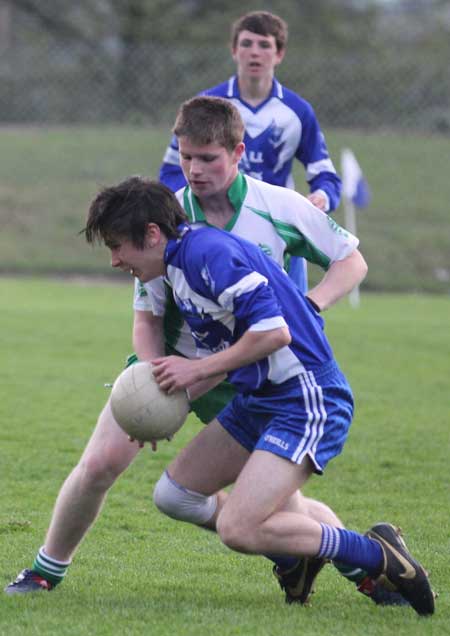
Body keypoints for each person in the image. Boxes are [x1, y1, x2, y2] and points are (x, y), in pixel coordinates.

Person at [4, 97, 403, 606]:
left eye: (208, 158)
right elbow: (146, 317)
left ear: (238, 154)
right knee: (102, 461)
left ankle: (368, 569)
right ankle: (46, 569)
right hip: (176, 369)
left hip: (250, 372)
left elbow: (351, 263)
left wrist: (309, 307)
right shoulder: (166, 217)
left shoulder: (278, 206)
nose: (194, 169)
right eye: (186, 156)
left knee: (283, 507)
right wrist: (152, 389)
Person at [81, 175, 434, 617]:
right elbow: (225, 352)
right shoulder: (179, 264)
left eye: (117, 246)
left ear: (152, 234)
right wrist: (159, 410)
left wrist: (196, 368)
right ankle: (300, 557)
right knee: (174, 495)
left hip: (305, 397)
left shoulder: (208, 254)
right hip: (260, 399)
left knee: (239, 528)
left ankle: (375, 554)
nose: (114, 260)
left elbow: (274, 333)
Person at [159, 11, 341, 294]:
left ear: (279, 53)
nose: (254, 53)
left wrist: (322, 197)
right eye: (246, 44)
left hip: (276, 231)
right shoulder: (207, 106)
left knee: (292, 322)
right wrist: (189, 210)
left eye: (264, 45)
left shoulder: (297, 111)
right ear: (234, 50)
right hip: (214, 228)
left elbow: (326, 175)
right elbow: (170, 172)